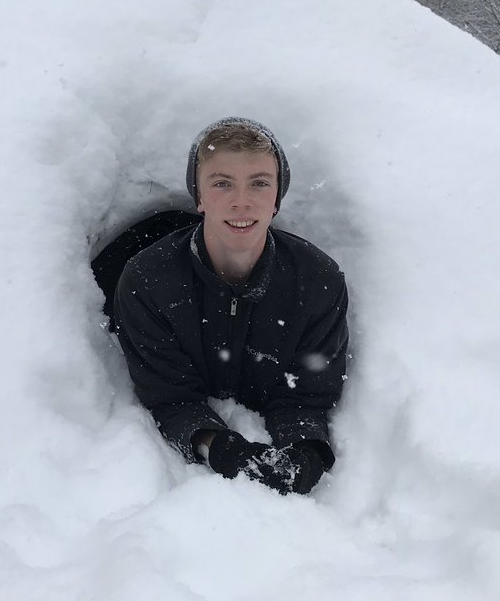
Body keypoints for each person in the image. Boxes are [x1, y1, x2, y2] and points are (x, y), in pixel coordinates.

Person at [113, 117, 350, 495]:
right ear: (199, 196)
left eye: (259, 183)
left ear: (277, 197)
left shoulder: (317, 281)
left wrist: (306, 452)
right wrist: (217, 446)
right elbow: (169, 396)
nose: (242, 201)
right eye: (222, 183)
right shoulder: (148, 281)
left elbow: (306, 394)